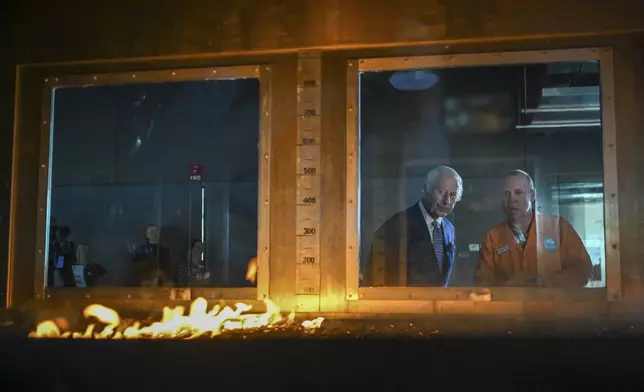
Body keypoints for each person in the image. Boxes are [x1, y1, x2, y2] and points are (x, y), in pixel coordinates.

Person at [475, 170, 592, 288]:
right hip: (510, 306)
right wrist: (511, 286)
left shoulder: (558, 227)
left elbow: (583, 271)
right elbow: (483, 283)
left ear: (532, 195)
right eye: (507, 193)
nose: (512, 199)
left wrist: (547, 282)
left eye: (518, 192)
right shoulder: (493, 237)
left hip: (553, 305)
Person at [361, 166, 462, 287]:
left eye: (452, 195)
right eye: (441, 192)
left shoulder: (448, 229)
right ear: (426, 190)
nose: (446, 201)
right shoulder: (395, 227)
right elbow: (375, 279)